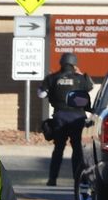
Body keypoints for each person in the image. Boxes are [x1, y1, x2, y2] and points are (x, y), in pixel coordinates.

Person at [38, 52, 93, 185]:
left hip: (60, 117)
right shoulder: (80, 79)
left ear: (61, 63)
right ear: (74, 64)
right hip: (77, 118)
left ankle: (52, 179)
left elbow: (41, 94)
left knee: (58, 149)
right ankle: (77, 180)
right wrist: (80, 74)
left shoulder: (52, 78)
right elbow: (90, 87)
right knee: (77, 149)